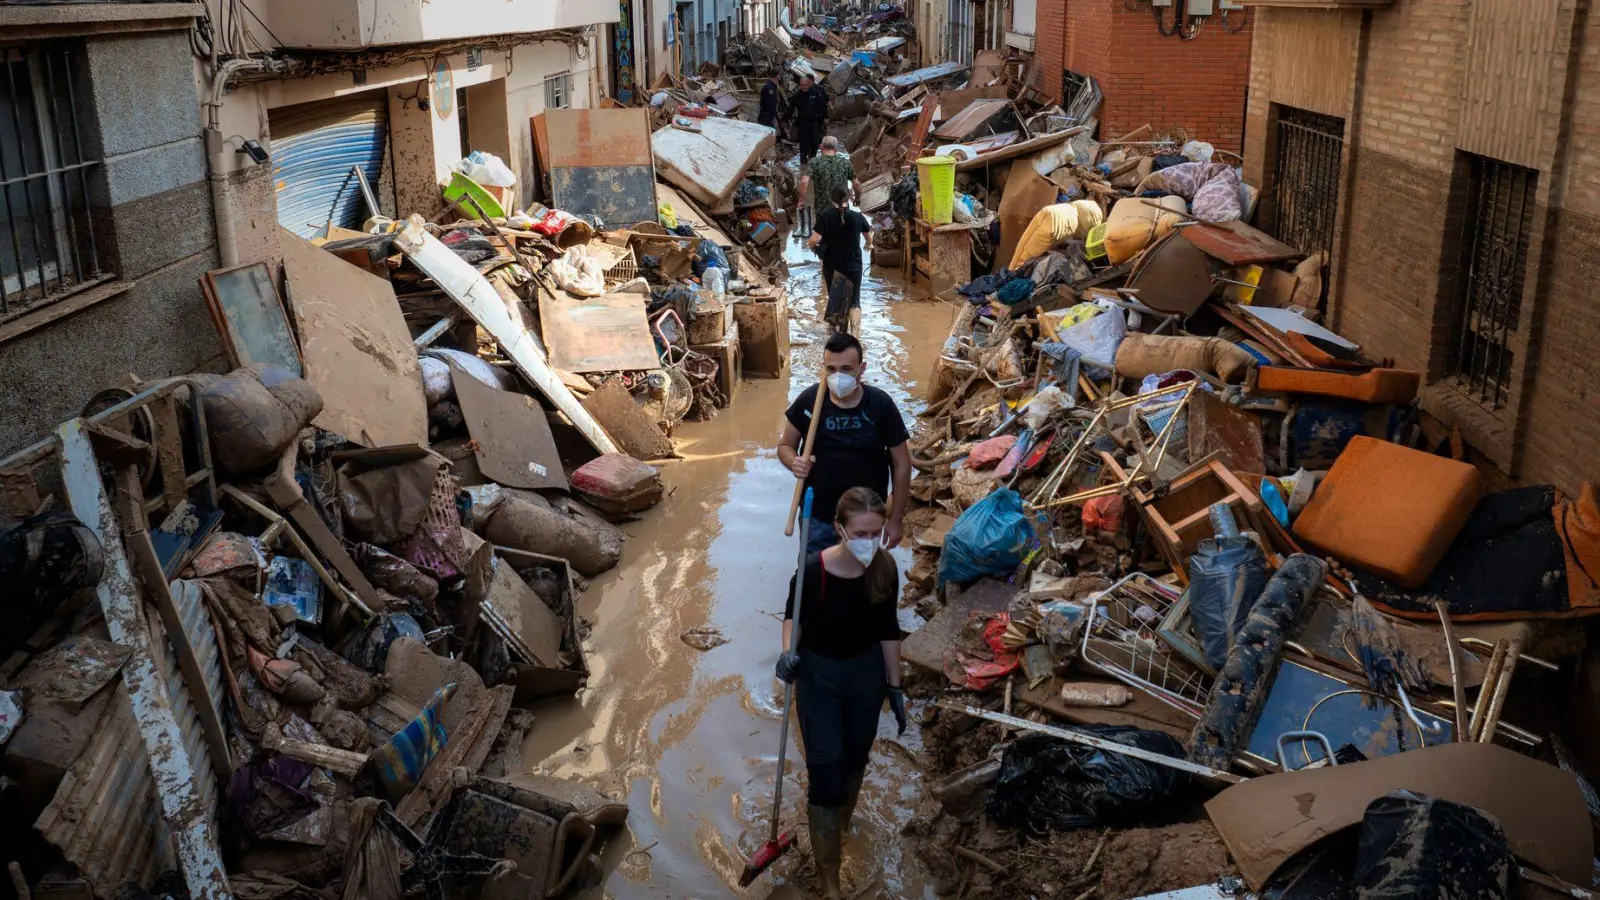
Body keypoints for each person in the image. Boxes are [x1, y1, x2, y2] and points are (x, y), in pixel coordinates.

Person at [775, 487, 907, 900]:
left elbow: (888, 631)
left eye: (876, 531)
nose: (869, 541)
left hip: (864, 677)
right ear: (840, 529)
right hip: (821, 677)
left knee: (854, 763)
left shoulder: (884, 569)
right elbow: (792, 616)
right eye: (861, 532)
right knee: (826, 774)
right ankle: (828, 875)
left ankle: (839, 827)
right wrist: (786, 656)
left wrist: (895, 687)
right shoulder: (812, 572)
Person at [779, 332, 910, 555]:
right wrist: (794, 463)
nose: (838, 376)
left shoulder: (880, 405)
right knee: (814, 576)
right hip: (818, 515)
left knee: (861, 578)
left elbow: (902, 464)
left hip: (865, 521)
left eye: (846, 369)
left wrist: (896, 519)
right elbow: (785, 446)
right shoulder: (809, 401)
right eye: (831, 369)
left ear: (862, 368)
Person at [808, 184, 873, 332]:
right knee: (855, 300)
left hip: (832, 265)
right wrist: (869, 245)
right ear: (848, 198)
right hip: (854, 265)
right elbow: (868, 235)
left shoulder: (825, 216)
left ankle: (838, 334)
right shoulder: (857, 217)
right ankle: (856, 334)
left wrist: (812, 248)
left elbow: (814, 240)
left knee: (835, 299)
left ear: (832, 200)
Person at [796, 135, 862, 230]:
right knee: (842, 235)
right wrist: (858, 198)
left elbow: (804, 181)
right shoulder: (845, 162)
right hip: (842, 208)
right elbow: (856, 184)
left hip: (822, 211)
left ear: (821, 147)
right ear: (836, 148)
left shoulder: (815, 162)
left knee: (822, 237)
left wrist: (801, 200)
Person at [791, 73, 829, 165]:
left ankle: (813, 158)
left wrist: (826, 118)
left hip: (815, 122)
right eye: (801, 85)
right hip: (803, 123)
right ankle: (803, 161)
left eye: (805, 85)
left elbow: (823, 106)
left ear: (809, 84)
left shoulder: (816, 93)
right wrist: (786, 119)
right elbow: (791, 109)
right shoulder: (796, 96)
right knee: (803, 143)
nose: (803, 87)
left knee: (815, 141)